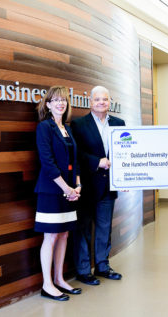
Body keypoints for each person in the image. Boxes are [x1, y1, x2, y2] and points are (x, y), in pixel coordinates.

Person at [70, 85, 125, 286]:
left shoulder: (120, 124)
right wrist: (96, 162)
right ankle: (84, 271)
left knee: (104, 228)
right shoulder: (78, 125)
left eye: (105, 99)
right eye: (97, 99)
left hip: (108, 186)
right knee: (83, 229)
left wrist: (126, 177)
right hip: (86, 186)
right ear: (90, 102)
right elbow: (77, 155)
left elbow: (124, 155)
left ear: (109, 101)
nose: (101, 102)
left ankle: (103, 266)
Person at [34, 86, 82, 301]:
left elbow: (75, 161)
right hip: (51, 191)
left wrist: (77, 186)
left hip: (70, 191)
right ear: (48, 104)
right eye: (56, 100)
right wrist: (67, 189)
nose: (60, 103)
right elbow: (48, 163)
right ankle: (47, 284)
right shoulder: (44, 127)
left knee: (64, 234)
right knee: (51, 235)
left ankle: (60, 279)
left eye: (63, 100)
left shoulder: (68, 129)